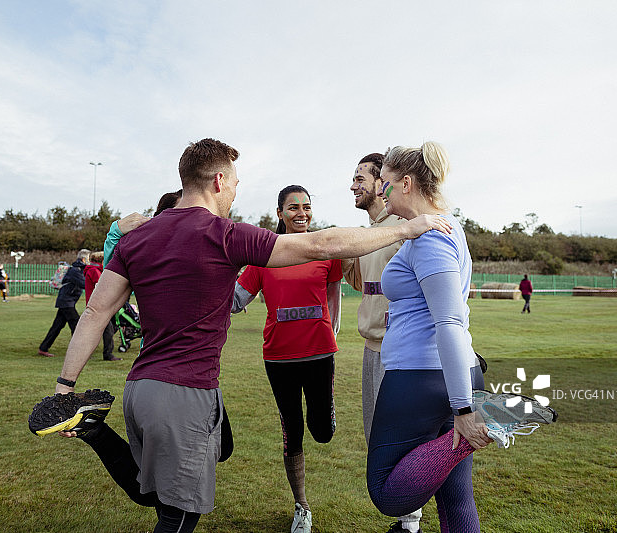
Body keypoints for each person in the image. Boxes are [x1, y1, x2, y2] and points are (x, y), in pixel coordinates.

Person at [32, 138, 448, 533]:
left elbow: (95, 312)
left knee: (193, 463)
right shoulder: (224, 235)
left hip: (141, 389)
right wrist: (405, 229)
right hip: (184, 394)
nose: (234, 191)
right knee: (176, 515)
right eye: (234, 182)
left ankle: (94, 429)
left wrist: (64, 385)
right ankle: (96, 431)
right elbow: (320, 244)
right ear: (217, 182)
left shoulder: (137, 238)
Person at [365, 141, 494, 532]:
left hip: (422, 379)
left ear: (406, 183)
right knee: (456, 498)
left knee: (388, 493)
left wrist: (465, 410)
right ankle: (474, 427)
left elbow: (450, 322)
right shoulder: (438, 228)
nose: (379, 191)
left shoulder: (432, 237)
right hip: (448, 376)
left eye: (384, 184)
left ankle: (489, 425)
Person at [231, 185, 343, 533]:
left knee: (321, 432)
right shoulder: (265, 253)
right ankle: (302, 506)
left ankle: (325, 412)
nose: (301, 213)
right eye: (293, 207)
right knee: (292, 431)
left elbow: (333, 291)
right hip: (279, 358)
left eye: (306, 207)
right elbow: (236, 299)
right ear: (279, 213)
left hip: (320, 353)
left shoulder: (326, 249)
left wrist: (332, 329)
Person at [342, 153, 426, 533]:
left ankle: (409, 523)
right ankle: (406, 518)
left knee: (399, 438)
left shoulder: (402, 227)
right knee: (377, 436)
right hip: (370, 348)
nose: (353, 186)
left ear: (382, 183)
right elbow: (365, 287)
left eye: (361, 178)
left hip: (399, 354)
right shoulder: (371, 231)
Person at [37, 250, 90, 357]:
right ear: (84, 259)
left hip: (66, 301)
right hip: (67, 302)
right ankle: (78, 351)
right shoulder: (75, 271)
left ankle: (43, 348)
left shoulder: (78, 269)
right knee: (76, 325)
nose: (89, 261)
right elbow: (84, 284)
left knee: (57, 326)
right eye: (89, 259)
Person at [84, 251, 121, 361]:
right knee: (108, 330)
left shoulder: (92, 270)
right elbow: (104, 287)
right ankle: (108, 354)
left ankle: (88, 352)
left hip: (95, 305)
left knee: (101, 330)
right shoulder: (95, 271)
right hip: (99, 306)